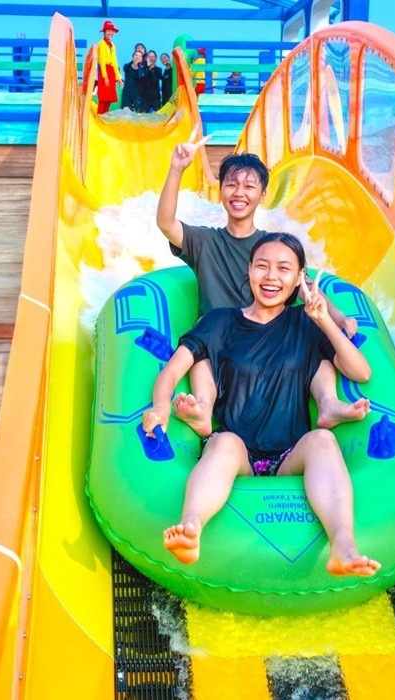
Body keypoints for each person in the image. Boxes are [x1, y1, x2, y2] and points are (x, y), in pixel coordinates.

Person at [143, 234, 381, 578]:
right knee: (224, 442)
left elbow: (361, 372)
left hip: (290, 453)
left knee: (324, 440)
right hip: (237, 449)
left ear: (299, 278)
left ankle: (343, 547)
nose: (271, 277)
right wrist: (161, 406)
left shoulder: (305, 324)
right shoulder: (220, 321)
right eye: (262, 266)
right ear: (249, 269)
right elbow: (173, 370)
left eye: (284, 269)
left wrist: (324, 320)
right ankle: (190, 529)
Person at [155, 131, 368, 440]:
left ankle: (329, 402)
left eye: (249, 186)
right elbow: (165, 223)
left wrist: (337, 318)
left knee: (312, 339)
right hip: (222, 339)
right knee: (203, 344)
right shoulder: (204, 241)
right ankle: (203, 407)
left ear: (263, 194)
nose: (239, 193)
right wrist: (177, 168)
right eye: (231, 184)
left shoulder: (270, 250)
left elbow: (307, 287)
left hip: (268, 334)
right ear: (220, 191)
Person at [93, 21, 123, 114]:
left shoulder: (112, 45)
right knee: (103, 98)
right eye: (108, 30)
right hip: (104, 71)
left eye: (112, 31)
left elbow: (115, 62)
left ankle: (105, 114)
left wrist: (118, 78)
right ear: (104, 32)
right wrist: (105, 77)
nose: (110, 33)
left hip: (111, 72)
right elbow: (102, 62)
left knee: (109, 98)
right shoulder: (101, 44)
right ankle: (100, 115)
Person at [122, 48, 146, 112]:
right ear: (132, 57)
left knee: (136, 114)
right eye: (136, 55)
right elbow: (124, 68)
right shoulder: (127, 66)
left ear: (141, 59)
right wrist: (133, 62)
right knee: (125, 113)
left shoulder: (142, 69)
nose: (138, 57)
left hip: (137, 96)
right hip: (127, 95)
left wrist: (137, 65)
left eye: (140, 56)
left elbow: (140, 76)